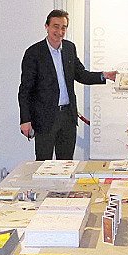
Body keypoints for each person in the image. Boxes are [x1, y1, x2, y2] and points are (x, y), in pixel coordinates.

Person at [18, 9, 115, 160]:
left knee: (66, 164)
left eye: (63, 27)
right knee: (43, 164)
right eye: (56, 26)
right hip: (44, 118)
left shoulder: (69, 48)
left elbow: (81, 74)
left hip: (68, 117)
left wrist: (105, 75)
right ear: (47, 27)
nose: (60, 31)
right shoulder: (34, 53)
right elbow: (25, 90)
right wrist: (25, 120)